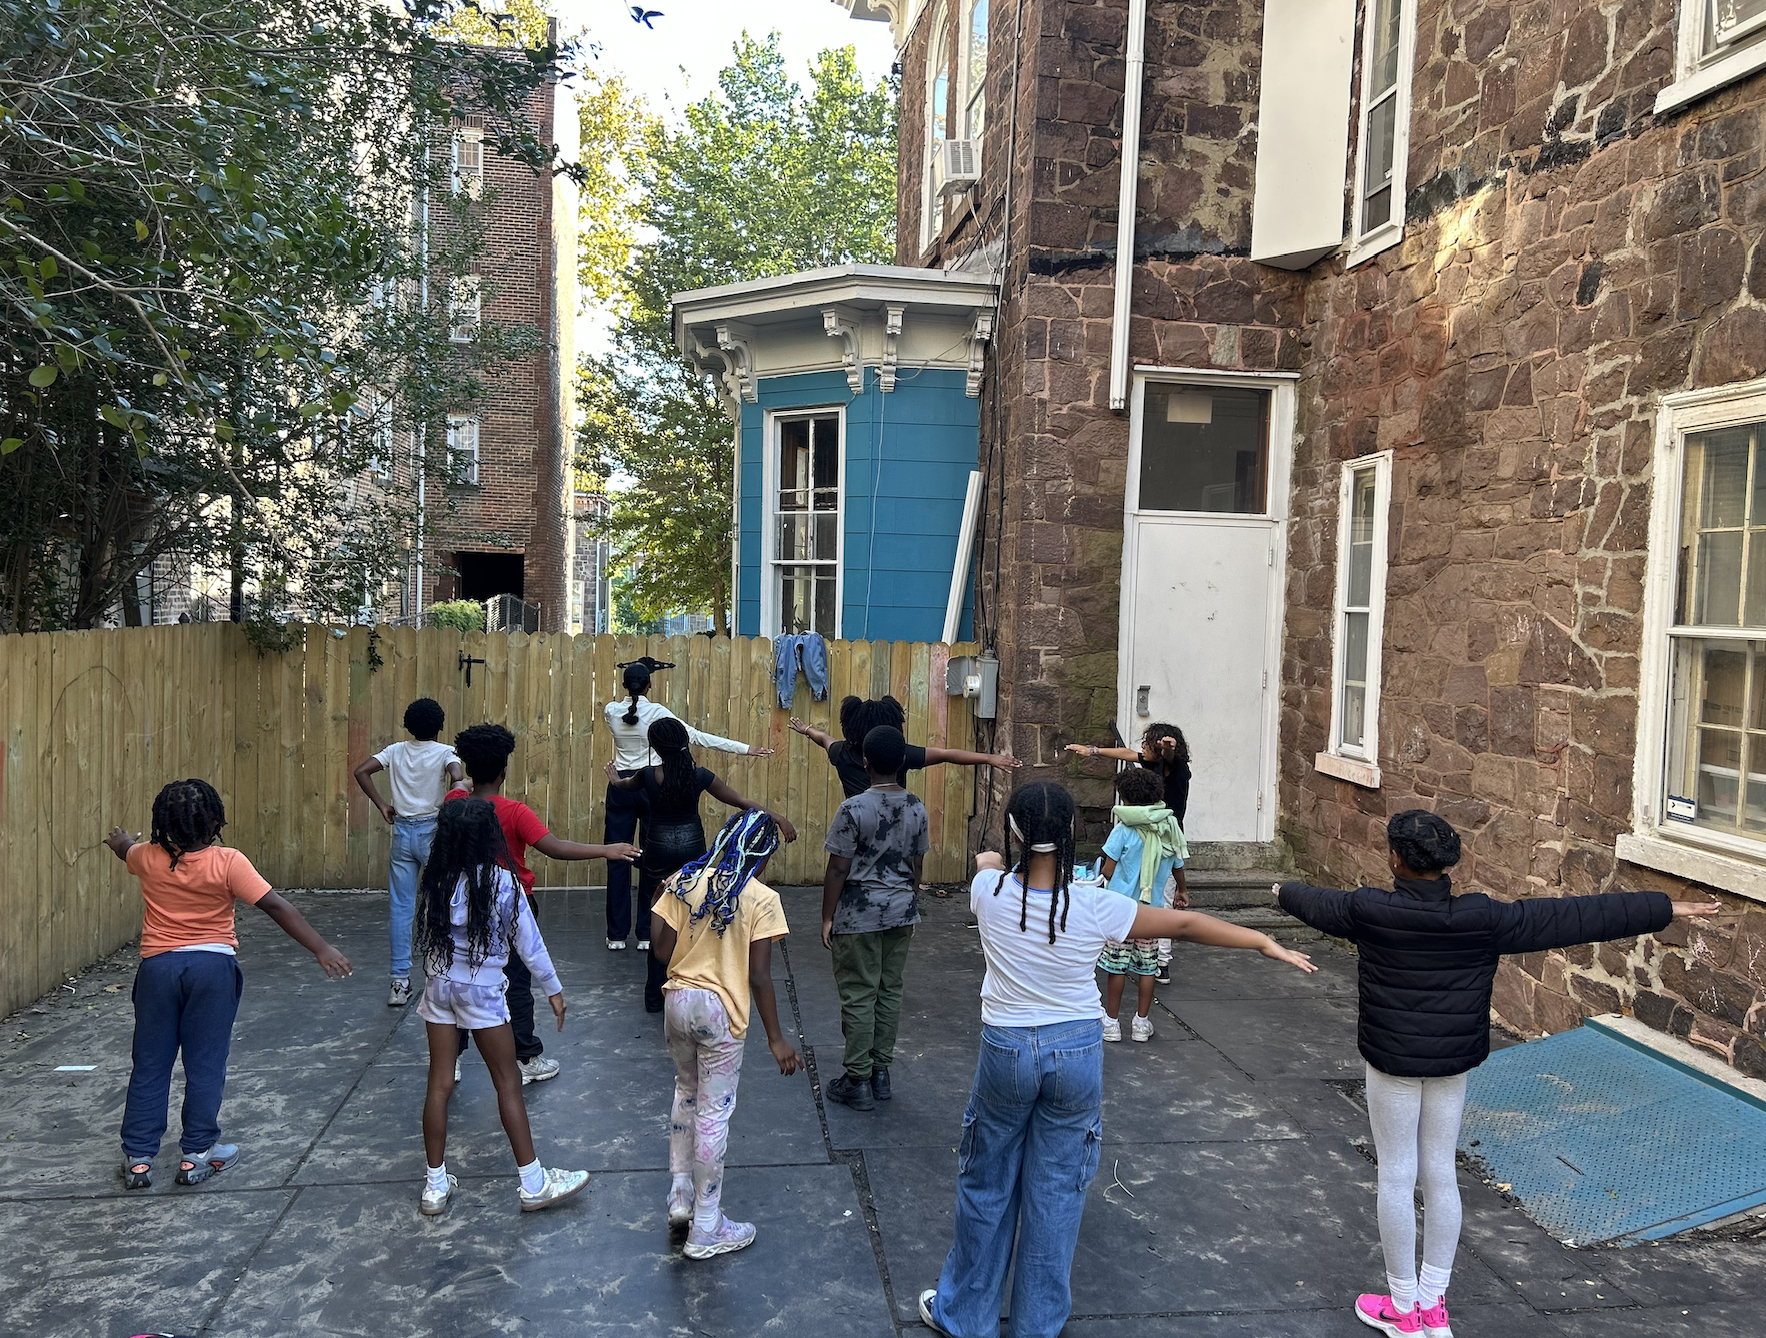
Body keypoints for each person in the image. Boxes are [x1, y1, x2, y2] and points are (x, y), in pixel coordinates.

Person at [1277, 811, 1721, 1338]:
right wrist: (1666, 906)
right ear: (1449, 866)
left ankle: (1402, 1310)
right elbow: (1579, 916)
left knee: (1397, 1175)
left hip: (1392, 1064)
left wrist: (1280, 887)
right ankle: (1432, 1305)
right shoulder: (1483, 917)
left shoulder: (1367, 909)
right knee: (1439, 1170)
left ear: (1394, 858)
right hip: (1451, 1064)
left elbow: (1308, 899)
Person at [918, 780, 1316, 1338]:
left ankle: (965, 1318)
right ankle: (1037, 1326)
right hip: (1076, 1051)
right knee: (1057, 1191)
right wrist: (1261, 941)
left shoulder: (989, 893)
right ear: (1074, 835)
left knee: (987, 1185)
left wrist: (994, 849)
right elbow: (1183, 923)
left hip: (1007, 1051)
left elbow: (987, 861)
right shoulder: (1096, 905)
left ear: (1016, 835)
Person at [106, 780, 352, 1190]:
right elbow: (274, 904)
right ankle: (197, 1154)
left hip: (157, 970)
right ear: (216, 820)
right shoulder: (229, 861)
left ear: (162, 824)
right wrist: (320, 947)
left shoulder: (146, 857)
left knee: (150, 1063)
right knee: (205, 1063)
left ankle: (138, 1158)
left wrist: (121, 839)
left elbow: (124, 849)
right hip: (211, 970)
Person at [412, 797, 589, 1216]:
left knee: (439, 1085)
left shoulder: (435, 876)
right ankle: (534, 1182)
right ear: (489, 835)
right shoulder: (503, 881)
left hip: (439, 987)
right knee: (508, 1083)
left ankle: (435, 1187)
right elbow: (529, 941)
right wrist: (554, 989)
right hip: (483, 991)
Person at [445, 723, 639, 1083]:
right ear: (504, 772)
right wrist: (607, 850)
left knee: (461, 975)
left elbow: (458, 786)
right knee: (516, 984)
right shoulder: (515, 811)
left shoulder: (455, 805)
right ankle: (526, 1058)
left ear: (471, 769)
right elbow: (555, 848)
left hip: (464, 903)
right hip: (512, 906)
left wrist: (465, 781)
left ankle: (451, 1058)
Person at [651, 809, 803, 1259]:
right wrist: (776, 1038)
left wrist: (664, 894)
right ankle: (707, 1226)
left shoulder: (685, 879)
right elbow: (758, 977)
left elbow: (661, 950)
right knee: (714, 1114)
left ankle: (680, 1197)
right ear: (763, 853)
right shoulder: (761, 897)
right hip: (720, 1014)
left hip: (677, 1002)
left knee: (685, 1093)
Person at [606, 717, 796, 1013]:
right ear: (685, 743)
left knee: (658, 914)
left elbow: (624, 785)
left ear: (654, 746)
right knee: (693, 914)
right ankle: (688, 981)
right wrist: (778, 817)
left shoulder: (646, 775)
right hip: (692, 852)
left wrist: (614, 778)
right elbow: (742, 801)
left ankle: (654, 997)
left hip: (657, 850)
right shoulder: (700, 776)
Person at [603, 659, 773, 952]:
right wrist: (746, 749)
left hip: (622, 786)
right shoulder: (657, 713)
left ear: (623, 686)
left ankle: (616, 935)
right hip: (652, 785)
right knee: (649, 862)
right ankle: (646, 932)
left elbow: (623, 713)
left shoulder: (611, 711)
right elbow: (697, 737)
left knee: (617, 857)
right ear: (649, 685)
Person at [819, 725, 930, 1111]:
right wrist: (910, 901)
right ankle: (881, 1072)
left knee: (859, 994)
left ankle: (857, 1077)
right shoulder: (916, 805)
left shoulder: (853, 809)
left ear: (865, 763)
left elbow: (837, 869)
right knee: (890, 990)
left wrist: (827, 917)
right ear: (902, 762)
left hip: (858, 915)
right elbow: (918, 864)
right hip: (900, 913)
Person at [352, 697, 463, 1008]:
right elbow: (456, 776)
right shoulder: (445, 753)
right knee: (440, 903)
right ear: (440, 726)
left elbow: (362, 771)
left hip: (402, 832)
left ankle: (399, 982)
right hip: (433, 834)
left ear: (408, 725)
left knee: (401, 909)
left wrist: (383, 804)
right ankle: (442, 974)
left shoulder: (396, 750)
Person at [1065, 722, 1192, 979]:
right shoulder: (1152, 764)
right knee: (1146, 897)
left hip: (1164, 841)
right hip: (1145, 839)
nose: (1141, 747)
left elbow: (1170, 759)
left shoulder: (1177, 770)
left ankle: (1161, 961)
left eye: (1147, 743)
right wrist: (1094, 751)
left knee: (1162, 902)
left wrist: (1168, 749)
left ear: (1160, 748)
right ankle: (1142, 951)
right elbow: (1125, 753)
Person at [1095, 767, 1187, 1042]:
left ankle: (1111, 1023)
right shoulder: (1170, 828)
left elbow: (1108, 870)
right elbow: (1178, 865)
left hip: (1121, 911)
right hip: (1152, 912)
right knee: (1148, 967)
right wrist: (1182, 890)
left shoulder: (1123, 830)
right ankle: (1141, 1023)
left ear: (1125, 799)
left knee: (1116, 967)